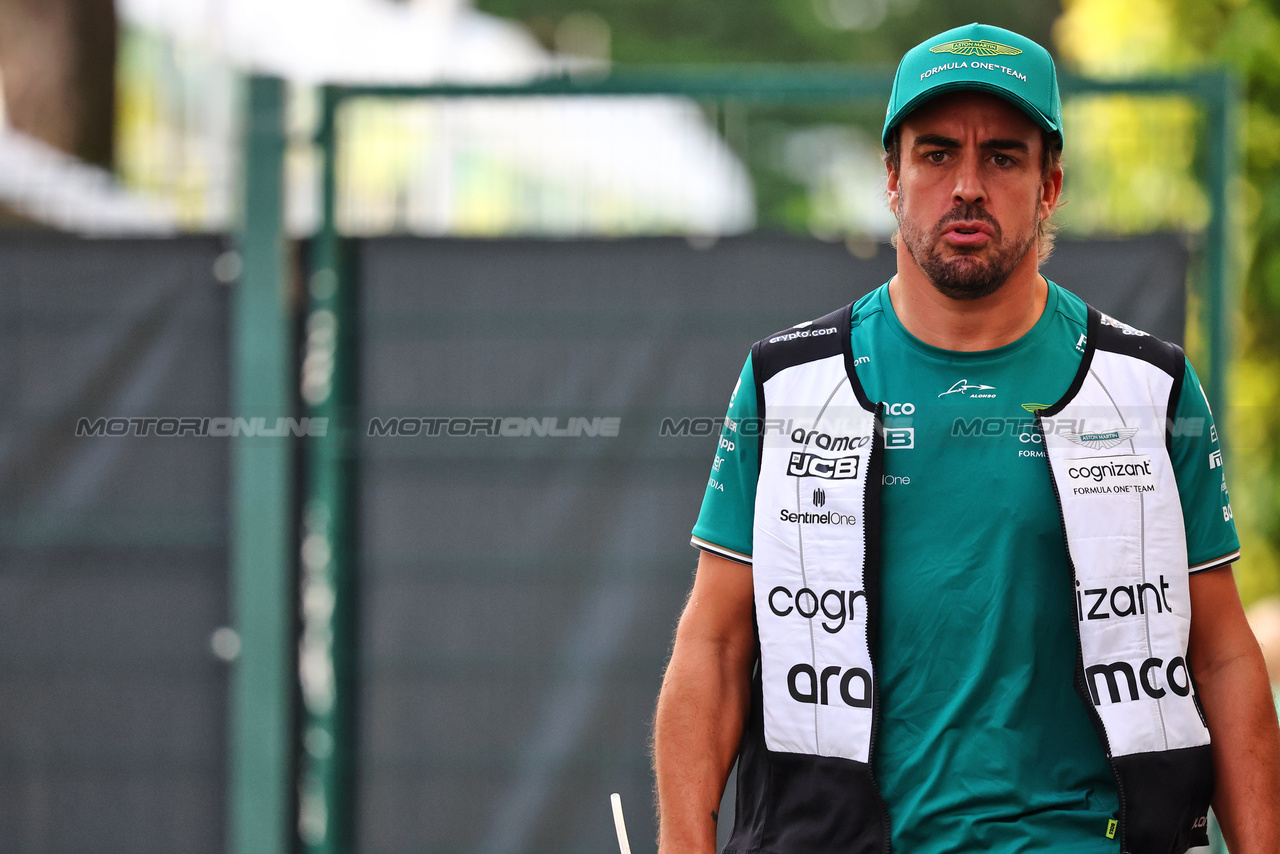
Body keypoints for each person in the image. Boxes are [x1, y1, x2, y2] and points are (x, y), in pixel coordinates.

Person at [652, 22, 1280, 854]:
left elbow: (1223, 655)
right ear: (893, 176)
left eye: (1005, 158)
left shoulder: (1148, 387)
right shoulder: (789, 384)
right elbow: (717, 643)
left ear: (1051, 183)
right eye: (937, 154)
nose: (968, 186)